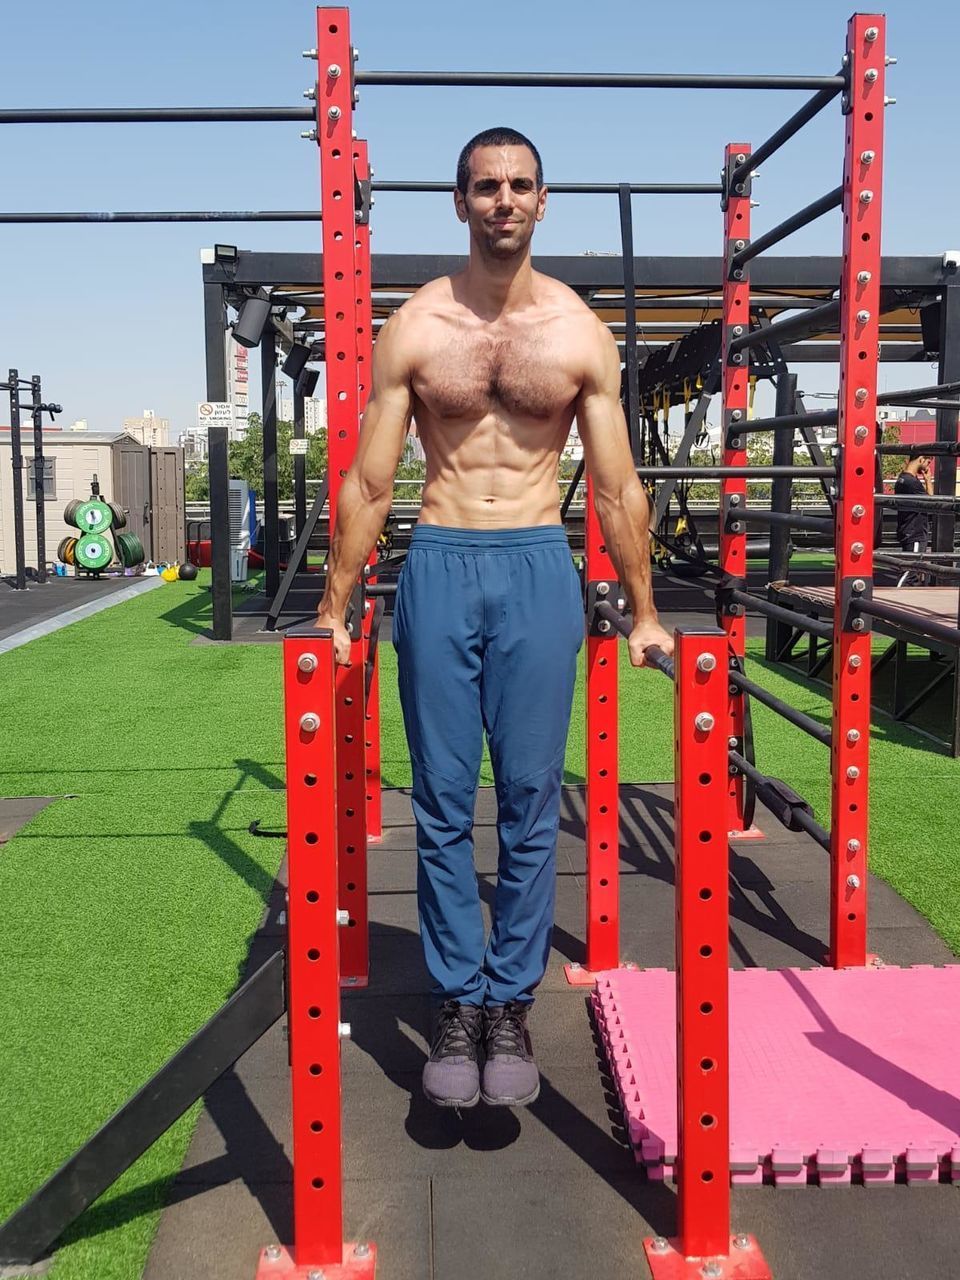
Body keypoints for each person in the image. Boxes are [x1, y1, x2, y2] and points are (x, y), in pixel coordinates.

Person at [316, 126, 672, 1110]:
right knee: (437, 801)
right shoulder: (418, 326)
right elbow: (370, 477)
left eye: (519, 185)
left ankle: (507, 999)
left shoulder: (576, 332)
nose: (503, 199)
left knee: (526, 797)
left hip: (533, 564)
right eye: (485, 186)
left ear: (542, 200)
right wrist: (333, 607)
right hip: (436, 559)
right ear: (461, 201)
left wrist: (644, 611)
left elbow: (615, 484)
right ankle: (455, 999)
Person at [893, 449, 933, 586]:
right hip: (915, 532)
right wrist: (928, 481)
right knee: (910, 572)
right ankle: (895, 599)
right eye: (928, 461)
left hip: (909, 529)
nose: (928, 466)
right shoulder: (912, 483)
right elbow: (931, 504)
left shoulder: (902, 479)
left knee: (911, 571)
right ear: (921, 459)